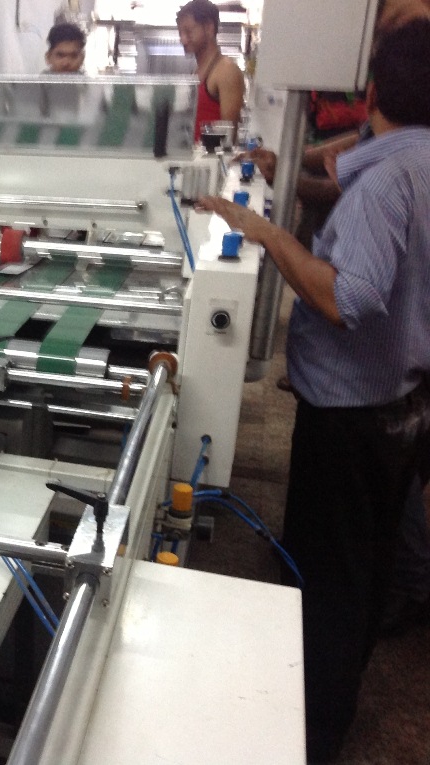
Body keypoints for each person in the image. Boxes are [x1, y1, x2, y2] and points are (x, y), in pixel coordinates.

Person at [197, 19, 430, 762]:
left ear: (370, 90)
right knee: (364, 563)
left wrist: (267, 235)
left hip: (352, 413)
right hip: (400, 404)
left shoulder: (386, 183)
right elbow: (345, 186)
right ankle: (333, 693)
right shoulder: (413, 160)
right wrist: (282, 176)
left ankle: (311, 731)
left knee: (328, 579)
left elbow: (344, 297)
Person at [175, 0, 245, 141]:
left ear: (209, 27)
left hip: (210, 155)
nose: (183, 40)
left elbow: (228, 139)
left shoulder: (226, 70)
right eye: (180, 33)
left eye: (188, 32)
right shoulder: (196, 72)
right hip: (192, 154)